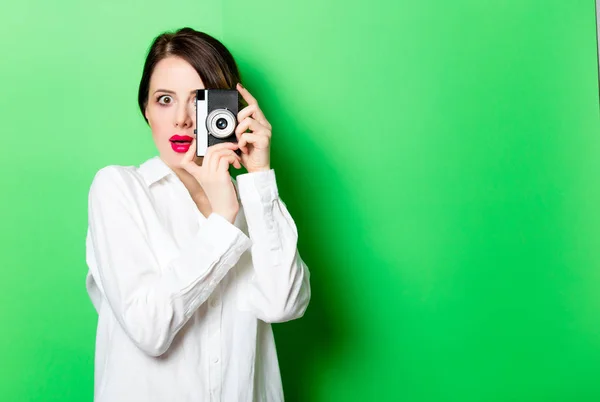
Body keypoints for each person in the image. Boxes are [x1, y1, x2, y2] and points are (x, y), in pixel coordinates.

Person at [84, 27, 311, 402]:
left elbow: (284, 304)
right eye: (164, 99)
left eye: (200, 100)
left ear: (227, 109)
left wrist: (259, 178)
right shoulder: (118, 189)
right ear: (145, 109)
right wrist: (221, 220)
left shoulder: (250, 201)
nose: (183, 120)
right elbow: (149, 328)